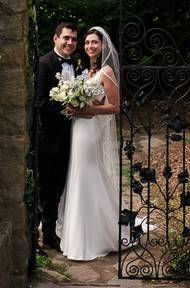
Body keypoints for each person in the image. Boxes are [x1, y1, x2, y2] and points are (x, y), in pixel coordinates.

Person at [55, 26, 127, 261]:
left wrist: (90, 109)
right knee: (79, 174)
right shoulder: (85, 71)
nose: (89, 46)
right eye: (86, 43)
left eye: (94, 42)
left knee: (88, 172)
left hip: (91, 129)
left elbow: (115, 107)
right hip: (78, 127)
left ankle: (97, 236)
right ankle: (79, 234)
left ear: (103, 45)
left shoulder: (106, 72)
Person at [34, 22, 80, 251]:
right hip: (50, 138)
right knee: (48, 188)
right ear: (55, 39)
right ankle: (48, 236)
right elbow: (40, 101)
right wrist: (67, 106)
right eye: (66, 38)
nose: (70, 42)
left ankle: (62, 230)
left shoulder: (78, 65)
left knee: (65, 186)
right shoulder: (44, 63)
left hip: (75, 138)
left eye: (73, 39)